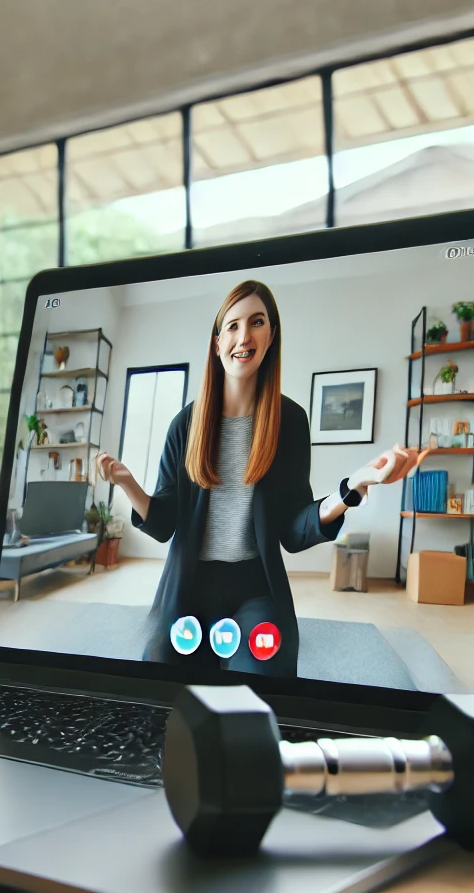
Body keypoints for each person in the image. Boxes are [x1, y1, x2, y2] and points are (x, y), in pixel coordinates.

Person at [96, 280, 415, 677]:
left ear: (271, 337)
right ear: (216, 343)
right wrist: (127, 483)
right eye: (232, 325)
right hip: (191, 584)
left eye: (257, 322)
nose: (243, 336)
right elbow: (163, 524)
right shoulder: (186, 426)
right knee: (162, 680)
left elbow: (294, 530)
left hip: (255, 586)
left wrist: (352, 489)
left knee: (263, 684)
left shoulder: (290, 422)